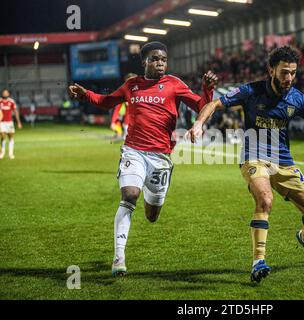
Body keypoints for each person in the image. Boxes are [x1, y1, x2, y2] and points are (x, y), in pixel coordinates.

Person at [186, 46, 304, 283]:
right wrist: (199, 123)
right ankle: (258, 262)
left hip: (283, 161)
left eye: (293, 72)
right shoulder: (251, 91)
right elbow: (214, 104)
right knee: (265, 200)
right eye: (284, 72)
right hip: (253, 156)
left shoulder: (297, 99)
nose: (289, 78)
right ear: (271, 70)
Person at [68, 41, 218, 276]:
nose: (160, 63)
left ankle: (153, 197)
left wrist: (207, 89)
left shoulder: (174, 84)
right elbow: (107, 102)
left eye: (164, 59)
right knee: (129, 195)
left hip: (161, 158)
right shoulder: (132, 85)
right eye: (156, 59)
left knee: (151, 215)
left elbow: (201, 105)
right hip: (134, 151)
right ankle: (119, 257)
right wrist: (85, 94)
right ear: (145, 62)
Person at [110, 73, 137, 139]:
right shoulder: (123, 94)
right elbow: (117, 109)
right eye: (127, 82)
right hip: (127, 124)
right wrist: (113, 122)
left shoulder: (143, 93)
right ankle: (119, 133)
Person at [0, 89, 22, 159]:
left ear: (8, 94)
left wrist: (18, 122)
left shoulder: (11, 101)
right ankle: (2, 153)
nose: (5, 94)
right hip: (2, 122)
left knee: (11, 137)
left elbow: (15, 111)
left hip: (9, 122)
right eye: (4, 93)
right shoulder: (0, 101)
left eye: (6, 93)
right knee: (3, 136)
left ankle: (10, 153)